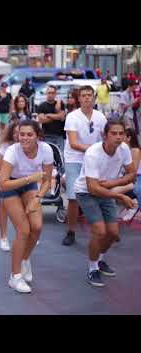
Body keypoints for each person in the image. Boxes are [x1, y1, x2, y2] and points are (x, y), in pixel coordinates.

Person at [73, 120, 136, 287]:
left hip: (105, 191)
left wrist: (110, 183)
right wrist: (120, 197)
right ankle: (92, 268)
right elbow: (93, 188)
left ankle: (99, 259)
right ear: (104, 135)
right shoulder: (93, 153)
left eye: (121, 133)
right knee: (100, 231)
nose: (118, 137)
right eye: (113, 133)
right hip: (86, 193)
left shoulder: (124, 150)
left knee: (113, 234)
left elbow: (132, 174)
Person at [0, 120, 54, 293]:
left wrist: (38, 198)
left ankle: (24, 259)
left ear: (38, 136)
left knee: (37, 227)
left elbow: (46, 180)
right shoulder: (12, 151)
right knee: (23, 230)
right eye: (22, 134)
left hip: (31, 186)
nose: (25, 138)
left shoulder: (46, 149)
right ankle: (14, 277)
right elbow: (2, 184)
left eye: (29, 134)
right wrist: (30, 179)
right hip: (11, 186)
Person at [62, 85, 107, 246]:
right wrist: (96, 149)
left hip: (94, 160)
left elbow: (105, 138)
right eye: (84, 95)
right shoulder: (72, 117)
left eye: (90, 95)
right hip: (75, 159)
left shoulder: (101, 117)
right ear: (79, 98)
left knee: (99, 193)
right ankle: (71, 231)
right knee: (74, 197)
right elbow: (74, 143)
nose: (87, 98)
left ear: (94, 98)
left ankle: (102, 228)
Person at [0, 122, 19, 251]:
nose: (18, 135)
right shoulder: (6, 146)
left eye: (22, 132)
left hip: (18, 176)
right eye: (15, 132)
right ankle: (3, 238)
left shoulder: (31, 145)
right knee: (3, 204)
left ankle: (23, 234)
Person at [37, 85, 66, 154]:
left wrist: (48, 115)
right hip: (47, 135)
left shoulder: (60, 104)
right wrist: (57, 116)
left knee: (60, 156)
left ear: (55, 94)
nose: (50, 95)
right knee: (47, 156)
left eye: (53, 93)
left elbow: (62, 117)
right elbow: (42, 120)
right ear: (46, 93)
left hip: (59, 136)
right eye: (49, 93)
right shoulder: (41, 106)